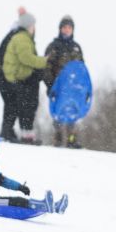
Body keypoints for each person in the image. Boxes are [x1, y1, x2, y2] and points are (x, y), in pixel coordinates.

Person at [0, 136, 68, 213]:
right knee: (16, 201)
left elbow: (3, 180)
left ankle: (53, 206)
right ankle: (46, 207)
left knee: (17, 200)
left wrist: (20, 187)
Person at [1, 11, 48, 144]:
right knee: (26, 105)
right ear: (29, 26)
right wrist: (46, 61)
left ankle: (24, 133)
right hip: (17, 78)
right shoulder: (22, 38)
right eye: (33, 26)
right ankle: (25, 135)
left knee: (23, 106)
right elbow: (26, 58)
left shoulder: (22, 37)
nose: (34, 29)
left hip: (19, 77)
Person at [44, 15, 85, 148]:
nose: (67, 30)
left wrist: (82, 87)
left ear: (72, 30)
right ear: (60, 29)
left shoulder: (76, 48)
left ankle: (72, 140)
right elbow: (46, 67)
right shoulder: (54, 46)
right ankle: (58, 140)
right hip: (58, 86)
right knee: (58, 114)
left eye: (69, 28)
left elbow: (81, 68)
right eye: (64, 27)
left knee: (72, 113)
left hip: (73, 88)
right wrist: (50, 85)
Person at [0, 7, 25, 140]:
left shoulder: (16, 33)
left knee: (11, 100)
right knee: (12, 100)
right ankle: (7, 131)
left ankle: (7, 129)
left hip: (2, 69)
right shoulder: (18, 35)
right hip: (2, 70)